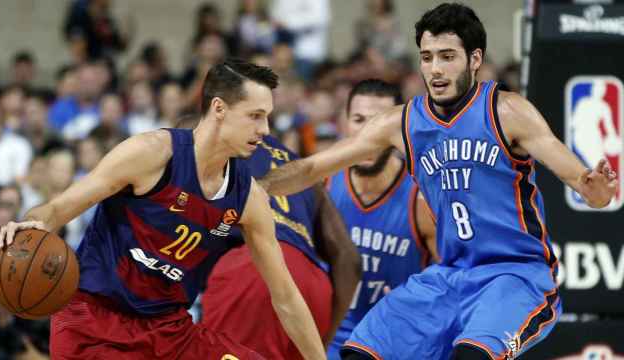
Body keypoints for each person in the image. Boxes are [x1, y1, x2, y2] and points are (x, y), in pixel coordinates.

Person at [260, 4, 618, 359]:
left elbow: (583, 183)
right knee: (359, 354)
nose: (435, 69)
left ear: (474, 59)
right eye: (427, 57)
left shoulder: (506, 112)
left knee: (470, 356)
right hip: (450, 276)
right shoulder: (401, 123)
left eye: (447, 56)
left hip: (516, 276)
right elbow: (310, 169)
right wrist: (255, 186)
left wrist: (596, 190)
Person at [0, 59, 326, 360]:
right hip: (94, 324)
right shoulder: (151, 154)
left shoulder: (247, 197)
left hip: (169, 331)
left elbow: (285, 296)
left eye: (266, 117)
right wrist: (28, 225)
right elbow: (58, 209)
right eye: (255, 116)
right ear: (219, 108)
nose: (265, 130)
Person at [201, 134, 361, 359]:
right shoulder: (299, 168)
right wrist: (322, 339)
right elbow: (349, 259)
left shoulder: (215, 143)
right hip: (313, 286)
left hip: (253, 271)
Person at [325, 79, 437, 360]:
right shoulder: (322, 184)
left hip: (397, 342)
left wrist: (415, 300)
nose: (366, 133)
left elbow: (455, 282)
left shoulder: (422, 198)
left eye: (378, 122)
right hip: (330, 340)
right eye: (358, 120)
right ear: (344, 124)